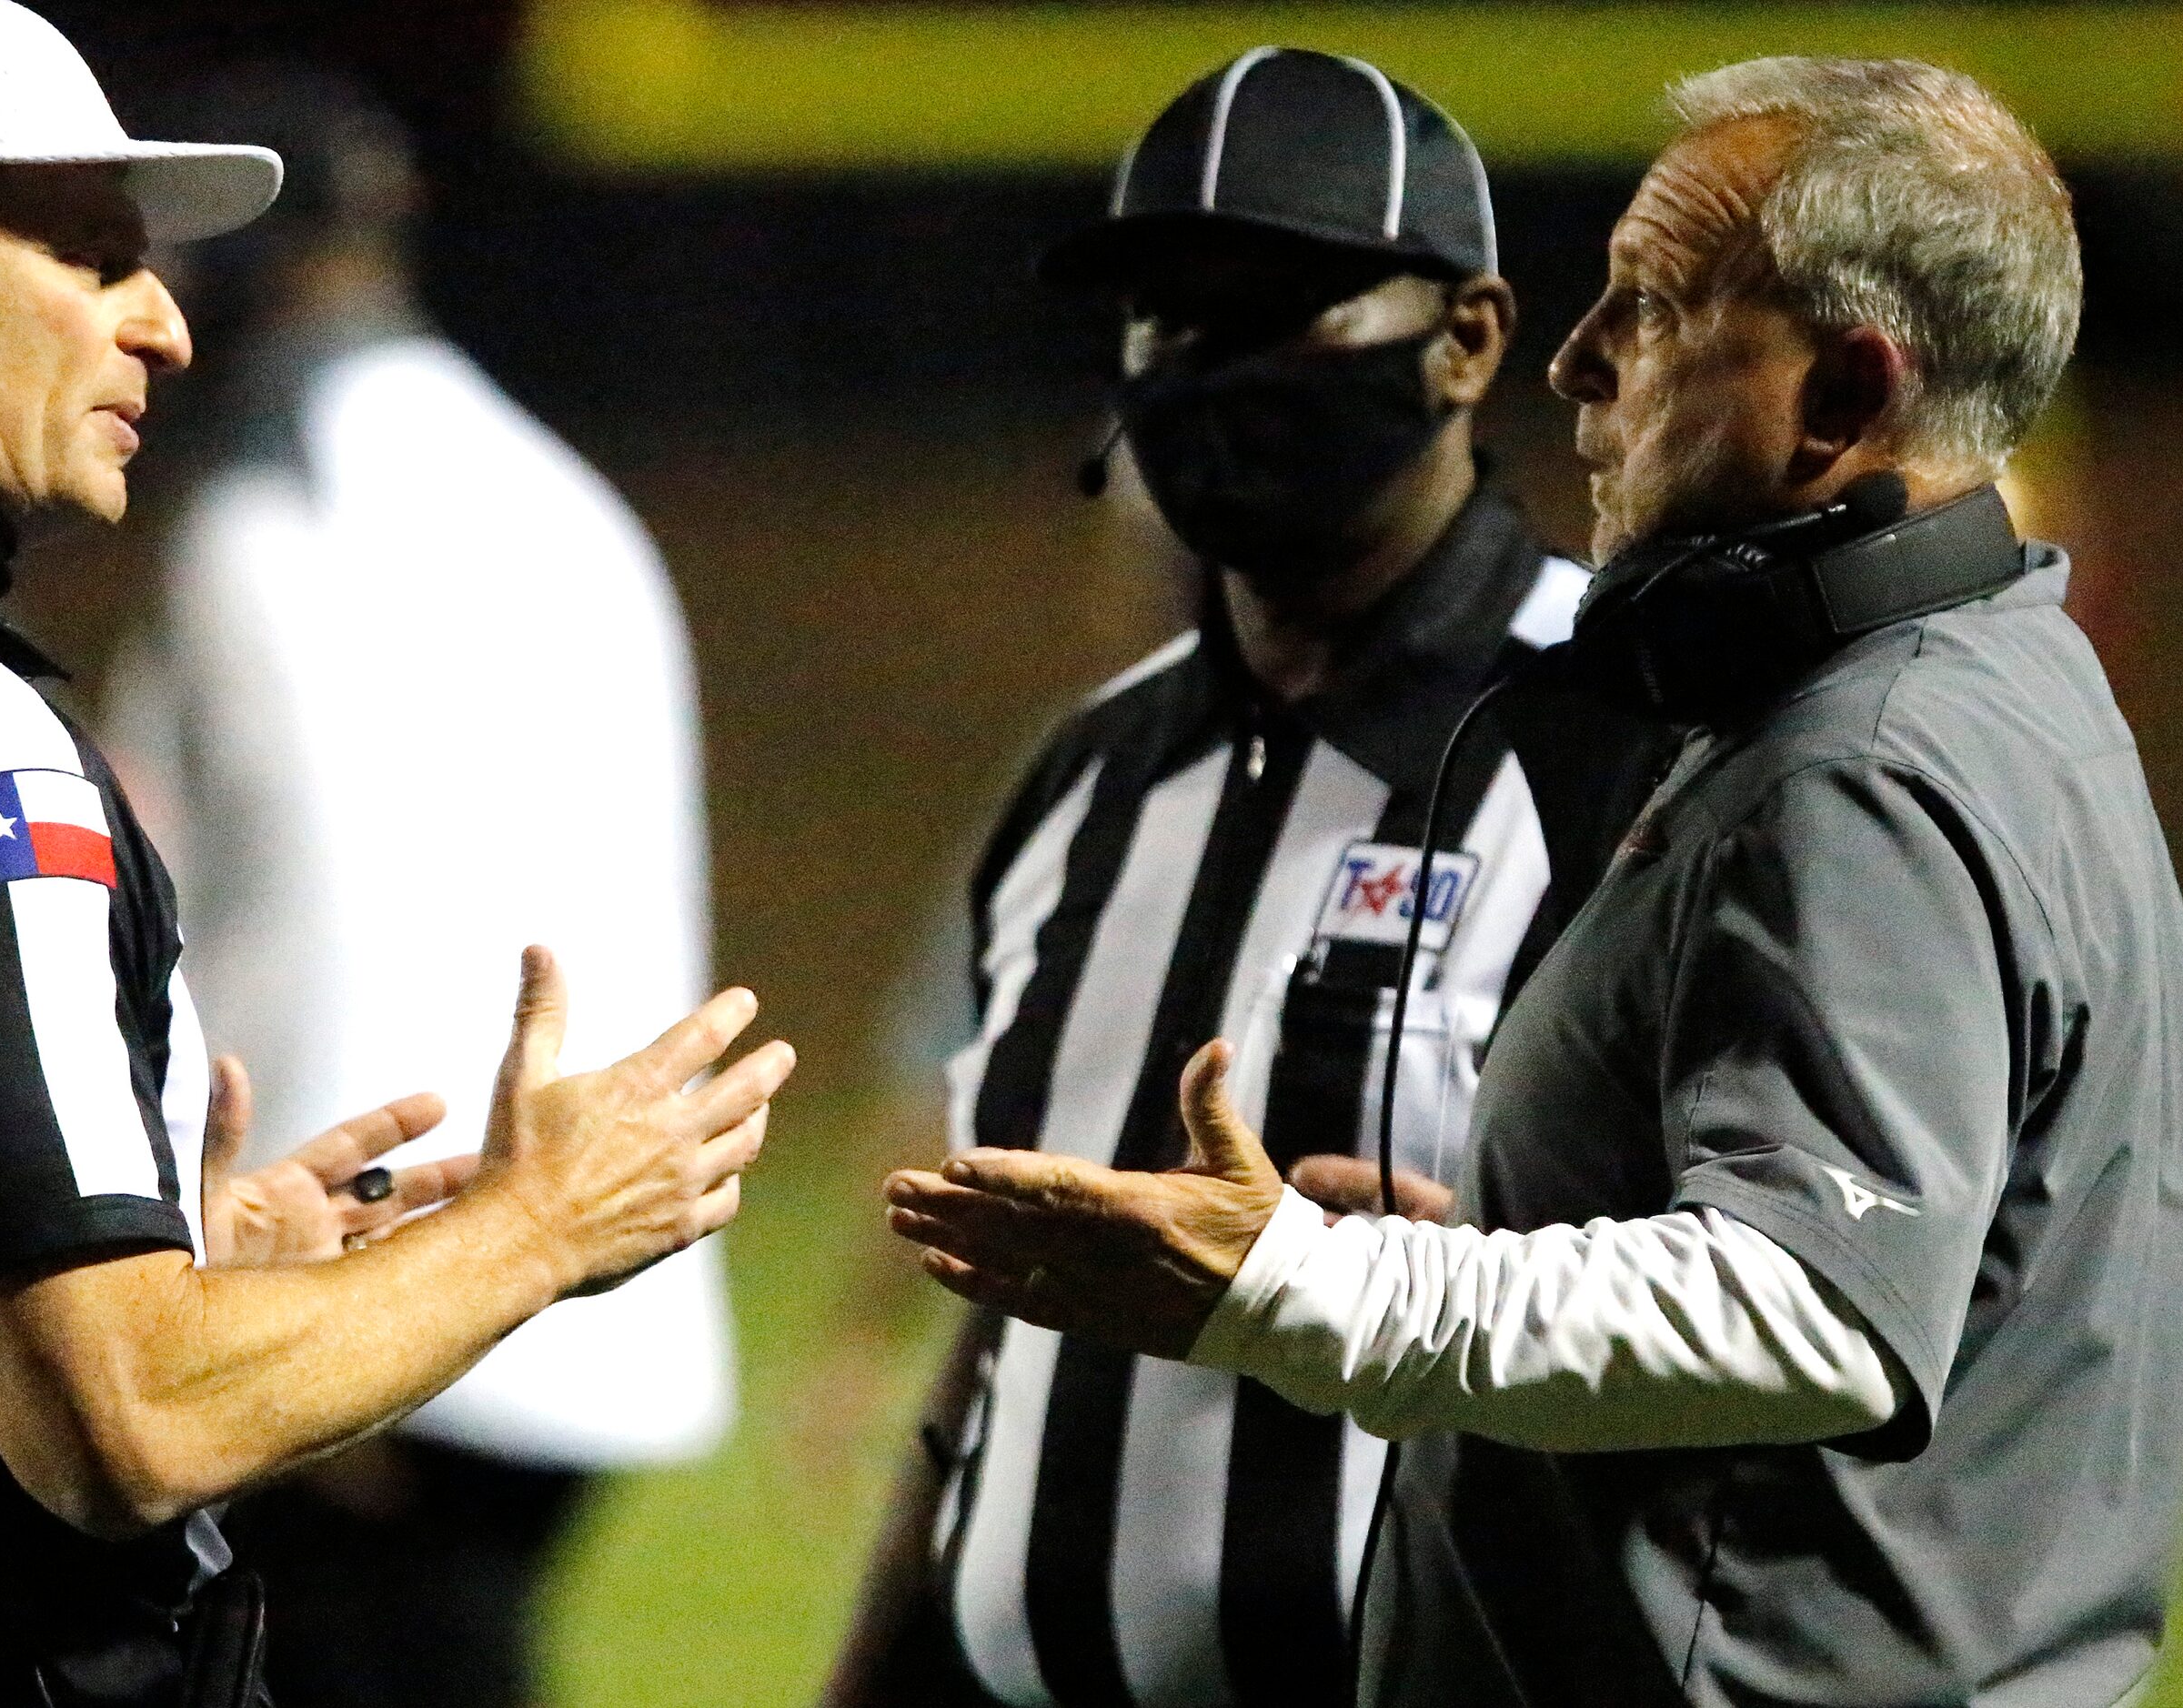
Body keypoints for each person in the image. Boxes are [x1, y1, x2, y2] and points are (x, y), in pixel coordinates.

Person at [886, 55, 2182, 1708]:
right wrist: (1494, 1242)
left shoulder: (1862, 753)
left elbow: (1812, 1307)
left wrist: (1305, 1282)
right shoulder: (1992, 686)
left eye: (1643, 307)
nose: (1580, 362)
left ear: (1843, 399)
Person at [0, 3, 791, 1703]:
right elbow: (122, 1425)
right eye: (93, 258)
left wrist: (155, 1250)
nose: (161, 322)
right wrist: (540, 1222)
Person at [830, 49, 1667, 1708]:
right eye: (1168, 316)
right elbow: (1012, 1329)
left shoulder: (1634, 733)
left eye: (1282, 305)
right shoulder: (1090, 775)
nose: (1212, 367)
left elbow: (1772, 1290)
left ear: (1470, 336)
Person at [96, 65, 732, 1708]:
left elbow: (287, 903)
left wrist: (305, 1294)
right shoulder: (559, 495)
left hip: (385, 1279)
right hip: (586, 1254)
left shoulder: (272, 513)